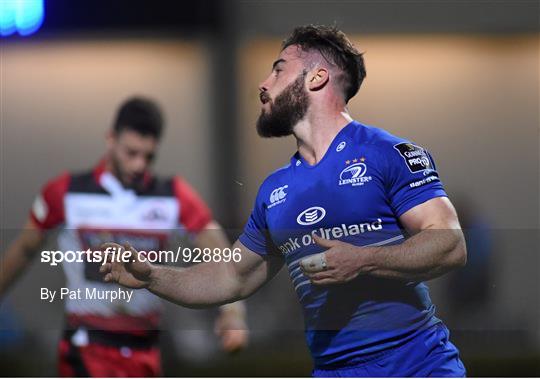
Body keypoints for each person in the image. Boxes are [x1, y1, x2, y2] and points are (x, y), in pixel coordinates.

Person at [101, 25, 467, 377]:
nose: (263, 83)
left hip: (418, 365)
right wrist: (152, 277)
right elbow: (231, 277)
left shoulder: (387, 154)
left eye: (278, 70)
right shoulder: (275, 191)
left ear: (317, 78)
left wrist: (365, 260)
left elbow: (450, 244)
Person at [0, 97, 248, 377]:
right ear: (110, 139)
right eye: (131, 153)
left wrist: (233, 312)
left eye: (148, 156)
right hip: (87, 347)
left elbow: (220, 252)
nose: (139, 165)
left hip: (146, 349)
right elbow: (24, 249)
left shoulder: (173, 195)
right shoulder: (66, 192)